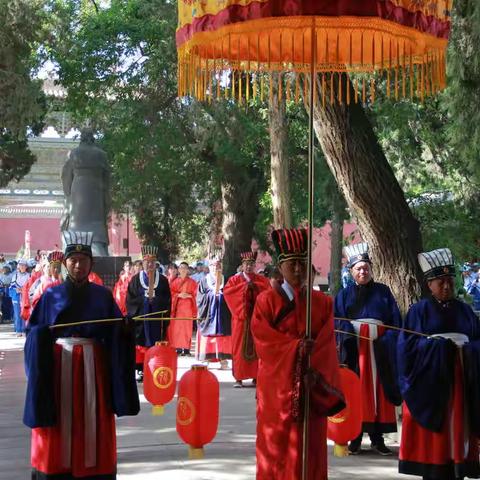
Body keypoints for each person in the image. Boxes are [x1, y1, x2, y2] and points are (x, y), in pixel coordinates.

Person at [23, 230, 139, 480]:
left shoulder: (103, 295)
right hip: (59, 365)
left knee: (92, 415)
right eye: (73, 260)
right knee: (59, 419)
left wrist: (126, 328)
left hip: (92, 365)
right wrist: (43, 334)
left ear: (91, 264)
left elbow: (115, 330)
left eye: (83, 260)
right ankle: (56, 469)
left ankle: (93, 471)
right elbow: (32, 331)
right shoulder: (51, 296)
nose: (78, 265)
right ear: (65, 263)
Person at [251, 228, 344, 479]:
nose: (297, 270)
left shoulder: (322, 303)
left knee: (310, 445)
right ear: (280, 267)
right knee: (276, 445)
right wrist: (295, 348)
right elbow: (263, 341)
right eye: (291, 264)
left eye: (302, 264)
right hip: (277, 387)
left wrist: (311, 357)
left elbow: (326, 343)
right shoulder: (266, 302)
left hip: (310, 385)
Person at [398, 248, 480, 479]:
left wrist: (468, 350)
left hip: (462, 383)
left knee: (459, 428)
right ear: (430, 284)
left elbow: (478, 340)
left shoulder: (465, 312)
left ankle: (459, 466)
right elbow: (407, 349)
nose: (446, 286)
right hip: (432, 385)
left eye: (450, 281)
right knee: (438, 439)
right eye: (440, 281)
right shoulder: (419, 311)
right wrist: (438, 349)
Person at [334, 242, 401, 456]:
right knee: (356, 390)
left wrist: (385, 336)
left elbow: (394, 321)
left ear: (371, 269)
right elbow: (337, 320)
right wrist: (350, 333)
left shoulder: (383, 291)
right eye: (358, 268)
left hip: (379, 348)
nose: (363, 271)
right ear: (351, 271)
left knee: (379, 392)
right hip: (355, 349)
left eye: (366, 268)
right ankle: (354, 437)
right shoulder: (344, 295)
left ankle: (377, 438)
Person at [223, 251, 270, 388]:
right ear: (242, 265)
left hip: (257, 319)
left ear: (254, 265)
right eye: (246, 264)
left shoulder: (261, 280)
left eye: (251, 264)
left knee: (258, 347)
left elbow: (267, 292)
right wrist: (245, 288)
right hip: (241, 320)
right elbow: (228, 293)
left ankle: (256, 376)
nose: (249, 267)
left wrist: (254, 287)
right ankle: (239, 377)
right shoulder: (234, 280)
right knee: (238, 347)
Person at [61, 128, 111, 256]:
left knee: (77, 220)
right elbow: (108, 179)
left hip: (78, 189)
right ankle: (98, 244)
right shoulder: (102, 154)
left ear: (81, 138)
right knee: (96, 219)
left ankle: (74, 241)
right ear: (92, 139)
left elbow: (66, 176)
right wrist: (106, 197)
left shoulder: (74, 153)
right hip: (97, 191)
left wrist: (69, 196)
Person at [126, 246, 171, 381]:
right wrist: (144, 301)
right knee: (140, 345)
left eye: (152, 262)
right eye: (147, 262)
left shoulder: (162, 280)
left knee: (156, 342)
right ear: (143, 263)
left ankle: (156, 367)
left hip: (156, 318)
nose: (149, 265)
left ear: (155, 263)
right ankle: (140, 370)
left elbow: (167, 298)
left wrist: (155, 301)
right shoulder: (135, 280)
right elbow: (130, 299)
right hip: (141, 318)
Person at [196, 257, 232, 368]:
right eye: (212, 266)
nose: (215, 268)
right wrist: (212, 296)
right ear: (209, 267)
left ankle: (223, 359)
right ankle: (206, 357)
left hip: (222, 312)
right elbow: (200, 298)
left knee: (222, 337)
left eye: (217, 266)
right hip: (208, 314)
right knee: (208, 336)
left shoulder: (226, 280)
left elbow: (231, 295)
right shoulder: (203, 281)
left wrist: (222, 296)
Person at [168, 261, 198, 355]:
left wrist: (190, 296)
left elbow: (197, 294)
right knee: (177, 329)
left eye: (185, 268)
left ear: (188, 270)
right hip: (178, 307)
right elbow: (171, 294)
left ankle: (186, 349)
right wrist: (178, 295)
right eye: (181, 268)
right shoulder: (174, 282)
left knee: (187, 328)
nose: (183, 270)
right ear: (178, 270)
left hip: (188, 307)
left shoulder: (192, 282)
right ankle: (178, 348)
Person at [10, 259, 31, 335]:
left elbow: (31, 286)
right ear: (18, 266)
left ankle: (24, 329)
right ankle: (18, 330)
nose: (22, 266)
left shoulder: (29, 275)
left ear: (26, 267)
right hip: (17, 297)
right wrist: (17, 290)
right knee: (17, 313)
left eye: (24, 265)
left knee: (25, 313)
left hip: (25, 297)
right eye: (21, 265)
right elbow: (11, 287)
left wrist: (25, 290)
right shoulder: (15, 275)